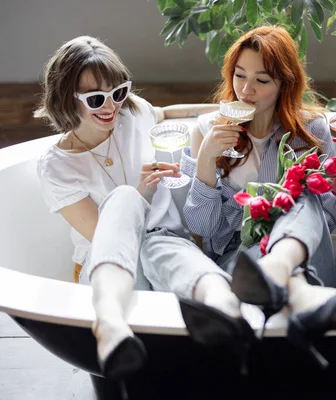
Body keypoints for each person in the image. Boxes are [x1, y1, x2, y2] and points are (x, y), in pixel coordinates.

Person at [35, 36, 254, 382]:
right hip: (107, 267)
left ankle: (224, 307)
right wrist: (140, 193)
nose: (111, 107)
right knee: (125, 200)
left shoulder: (132, 111)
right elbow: (106, 235)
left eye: (118, 91)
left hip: (161, 246)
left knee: (164, 242)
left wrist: (216, 121)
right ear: (64, 97)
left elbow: (165, 117)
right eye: (96, 99)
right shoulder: (56, 167)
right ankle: (108, 319)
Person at [180, 26, 336, 367]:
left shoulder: (311, 131)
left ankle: (281, 271)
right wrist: (207, 158)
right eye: (239, 75)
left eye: (261, 80)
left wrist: (270, 205)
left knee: (301, 192)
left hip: (308, 260)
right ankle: (293, 294)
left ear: (285, 83)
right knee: (291, 197)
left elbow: (324, 217)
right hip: (240, 270)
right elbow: (205, 229)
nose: (245, 89)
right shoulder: (206, 130)